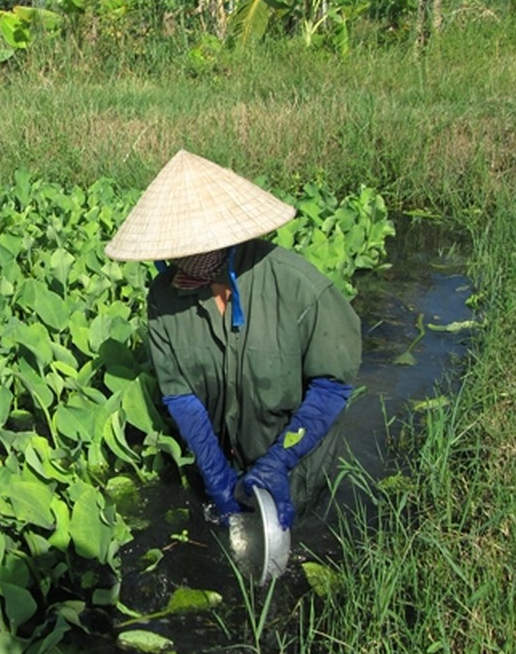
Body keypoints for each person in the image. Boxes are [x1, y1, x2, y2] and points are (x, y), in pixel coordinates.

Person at [105, 150, 362, 530]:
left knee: (299, 548)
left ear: (226, 235)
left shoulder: (299, 288)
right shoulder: (164, 297)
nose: (181, 260)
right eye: (174, 250)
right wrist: (218, 478)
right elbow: (181, 396)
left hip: (299, 460)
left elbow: (332, 388)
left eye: (193, 247)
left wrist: (281, 461)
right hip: (226, 455)